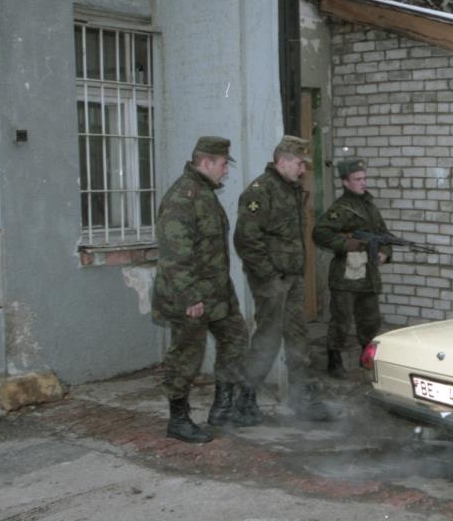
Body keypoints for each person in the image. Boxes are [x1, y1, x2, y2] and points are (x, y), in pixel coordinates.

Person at [233, 135, 336, 423]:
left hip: (292, 277)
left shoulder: (291, 189)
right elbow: (246, 240)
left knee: (298, 338)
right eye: (300, 164)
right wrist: (268, 275)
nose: (303, 170)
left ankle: (304, 400)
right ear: (282, 161)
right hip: (272, 281)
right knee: (267, 340)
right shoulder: (260, 191)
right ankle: (245, 401)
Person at [152, 136, 248, 443]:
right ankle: (178, 419)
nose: (226, 171)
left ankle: (223, 408)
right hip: (189, 294)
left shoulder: (205, 193)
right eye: (223, 164)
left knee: (236, 338)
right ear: (206, 163)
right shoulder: (183, 197)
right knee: (187, 355)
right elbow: (175, 256)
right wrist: (190, 297)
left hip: (217, 292)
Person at [312, 158, 392, 379]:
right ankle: (334, 361)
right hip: (346, 276)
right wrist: (348, 244)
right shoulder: (341, 209)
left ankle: (366, 359)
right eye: (357, 179)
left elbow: (383, 234)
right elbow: (320, 232)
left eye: (364, 178)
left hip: (368, 274)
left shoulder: (369, 206)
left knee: (370, 320)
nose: (363, 182)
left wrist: (385, 251)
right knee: (342, 320)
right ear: (345, 182)